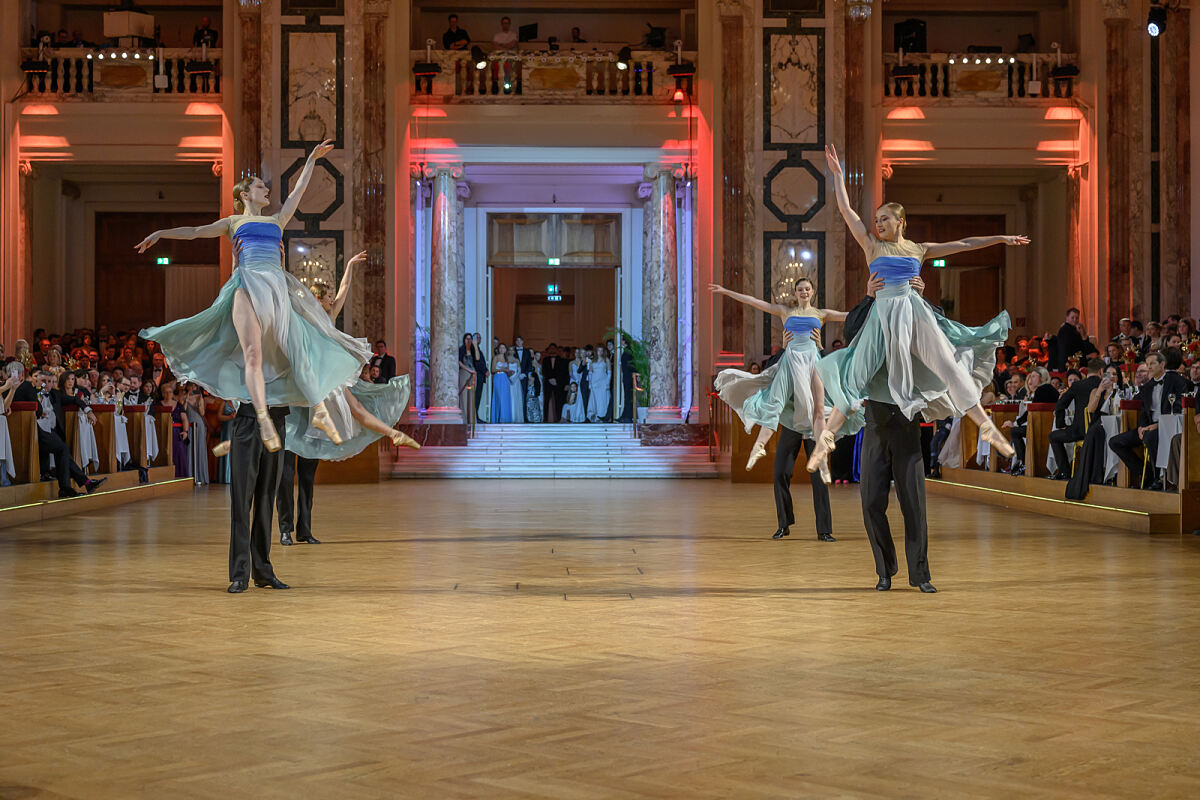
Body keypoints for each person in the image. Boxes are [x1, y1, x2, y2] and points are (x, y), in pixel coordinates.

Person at [136, 140, 370, 455]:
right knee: (252, 355)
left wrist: (311, 159)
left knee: (298, 350)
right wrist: (162, 234)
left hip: (275, 287)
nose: (266, 190)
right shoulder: (234, 222)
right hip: (247, 283)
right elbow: (195, 231)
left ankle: (319, 410)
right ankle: (262, 418)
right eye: (260, 187)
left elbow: (297, 194)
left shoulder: (276, 221)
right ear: (245, 195)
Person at [809, 143, 1025, 476]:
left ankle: (985, 424)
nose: (878, 223)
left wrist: (1001, 238)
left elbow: (964, 244)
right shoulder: (871, 245)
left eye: (885, 219)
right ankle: (826, 439)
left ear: (901, 222)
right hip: (882, 316)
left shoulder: (919, 249)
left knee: (948, 365)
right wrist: (838, 177)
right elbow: (846, 212)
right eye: (877, 219)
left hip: (913, 311)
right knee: (857, 376)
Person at [711, 275, 862, 479]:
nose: (804, 292)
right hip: (790, 360)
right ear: (795, 293)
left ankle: (823, 464)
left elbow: (852, 315)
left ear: (812, 291)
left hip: (812, 361)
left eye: (807, 289)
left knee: (818, 410)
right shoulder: (785, 312)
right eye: (800, 289)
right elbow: (755, 302)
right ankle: (759, 446)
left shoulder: (821, 313)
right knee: (775, 402)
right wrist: (726, 291)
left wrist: (878, 301)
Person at [839, 277, 936, 593]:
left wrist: (922, 299)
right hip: (876, 423)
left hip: (908, 424)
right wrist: (867, 296)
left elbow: (941, 334)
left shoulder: (912, 317)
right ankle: (885, 569)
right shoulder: (871, 321)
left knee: (915, 506)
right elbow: (849, 331)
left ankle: (920, 576)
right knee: (870, 502)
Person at [283, 251, 419, 458]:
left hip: (329, 372)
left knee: (355, 407)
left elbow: (344, 289)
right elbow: (288, 291)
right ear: (317, 299)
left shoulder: (329, 316)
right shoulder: (307, 318)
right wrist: (282, 262)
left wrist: (349, 265)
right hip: (318, 373)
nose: (332, 299)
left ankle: (393, 433)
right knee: (350, 408)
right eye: (328, 296)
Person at [764, 328, 837, 542]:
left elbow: (832, 373)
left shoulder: (817, 354)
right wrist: (784, 350)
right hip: (792, 423)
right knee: (780, 473)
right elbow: (769, 372)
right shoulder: (786, 356)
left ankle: (824, 530)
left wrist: (821, 348)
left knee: (820, 477)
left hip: (815, 422)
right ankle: (783, 524)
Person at [13, 368, 105, 498]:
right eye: (43, 381)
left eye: (50, 381)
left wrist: (88, 411)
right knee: (62, 449)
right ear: (37, 381)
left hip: (51, 432)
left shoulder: (55, 394)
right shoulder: (30, 391)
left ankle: (80, 484)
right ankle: (77, 485)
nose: (46, 384)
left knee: (63, 450)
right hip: (32, 431)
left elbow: (75, 400)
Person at [227, 402, 290, 593]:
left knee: (266, 500)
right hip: (248, 421)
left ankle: (263, 571)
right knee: (242, 502)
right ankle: (239, 574)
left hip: (276, 422)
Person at [1108, 349, 1189, 490]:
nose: (1149, 367)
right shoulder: (1147, 387)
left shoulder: (1176, 381)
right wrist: (1141, 427)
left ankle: (1158, 478)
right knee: (1115, 442)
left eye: (1152, 363)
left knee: (1151, 437)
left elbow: (1176, 408)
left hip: (1167, 426)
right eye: (1147, 363)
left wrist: (1157, 425)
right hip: (1148, 427)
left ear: (1162, 364)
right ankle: (1145, 474)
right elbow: (1144, 412)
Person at [1066, 365, 1124, 500]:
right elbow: (1091, 409)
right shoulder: (1096, 391)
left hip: (1118, 423)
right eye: (1108, 374)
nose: (1111, 377)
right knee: (1095, 432)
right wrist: (1100, 391)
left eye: (1114, 374)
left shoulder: (1122, 392)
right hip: (1099, 423)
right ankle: (1096, 474)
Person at [1048, 358, 1103, 480]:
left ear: (1088, 371)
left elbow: (1060, 405)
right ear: (1101, 371)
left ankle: (1065, 472)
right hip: (1101, 431)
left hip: (1079, 430)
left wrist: (1061, 424)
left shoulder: (1078, 385)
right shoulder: (1104, 385)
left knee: (1053, 436)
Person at [1005, 366, 1057, 475]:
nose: (1030, 379)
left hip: (1040, 426)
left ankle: (1023, 463)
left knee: (1014, 431)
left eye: (1033, 376)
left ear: (1042, 378)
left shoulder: (1041, 390)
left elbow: (1031, 411)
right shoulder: (1051, 389)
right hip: (1050, 425)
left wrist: (1015, 423)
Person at [277, 451, 320, 546]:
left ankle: (304, 531)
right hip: (287, 437)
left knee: (308, 480)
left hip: (309, 436)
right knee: (285, 479)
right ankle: (285, 529)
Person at [184, 385, 209, 486]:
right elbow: (183, 409)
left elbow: (202, 413)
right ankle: (189, 475)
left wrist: (199, 403)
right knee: (189, 448)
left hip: (198, 423)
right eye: (191, 385)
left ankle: (200, 476)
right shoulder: (183, 396)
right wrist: (186, 400)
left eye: (194, 385)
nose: (193, 387)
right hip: (188, 423)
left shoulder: (200, 397)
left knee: (199, 448)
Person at [491, 344, 515, 423]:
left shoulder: (506, 359)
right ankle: (498, 418)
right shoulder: (496, 357)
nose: (502, 349)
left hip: (505, 379)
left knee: (505, 398)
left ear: (505, 350)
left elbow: (507, 371)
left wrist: (510, 372)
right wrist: (503, 370)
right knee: (499, 397)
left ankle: (505, 418)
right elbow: (493, 370)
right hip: (498, 377)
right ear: (498, 349)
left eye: (503, 348)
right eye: (500, 348)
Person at [542, 345, 567, 422]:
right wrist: (550, 379)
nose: (552, 350)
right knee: (546, 401)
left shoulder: (561, 360)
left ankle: (558, 418)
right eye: (551, 349)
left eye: (554, 349)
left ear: (556, 350)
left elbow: (563, 372)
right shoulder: (545, 360)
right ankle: (545, 419)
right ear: (548, 350)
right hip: (548, 383)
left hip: (558, 383)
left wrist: (556, 380)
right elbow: (544, 370)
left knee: (558, 401)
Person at [512, 335, 534, 421]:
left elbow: (529, 363)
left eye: (520, 340)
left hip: (524, 377)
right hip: (514, 377)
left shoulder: (527, 351)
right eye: (517, 341)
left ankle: (524, 417)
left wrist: (525, 374)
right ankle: (515, 416)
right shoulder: (512, 350)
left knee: (524, 396)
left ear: (522, 342)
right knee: (515, 396)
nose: (518, 342)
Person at [458, 333, 479, 421]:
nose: (469, 340)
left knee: (471, 397)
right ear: (464, 340)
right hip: (465, 373)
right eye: (467, 339)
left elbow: (477, 359)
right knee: (464, 397)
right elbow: (459, 362)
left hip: (473, 374)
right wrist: (469, 370)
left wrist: (475, 345)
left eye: (470, 339)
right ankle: (464, 419)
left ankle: (472, 419)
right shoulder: (461, 349)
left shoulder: (474, 349)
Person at [587, 350, 611, 422]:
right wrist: (590, 383)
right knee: (595, 399)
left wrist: (608, 382)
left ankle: (602, 415)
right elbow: (590, 372)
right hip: (594, 381)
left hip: (603, 381)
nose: (600, 352)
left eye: (601, 351)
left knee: (602, 399)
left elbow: (609, 372)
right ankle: (595, 416)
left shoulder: (606, 360)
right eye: (598, 351)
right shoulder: (593, 361)